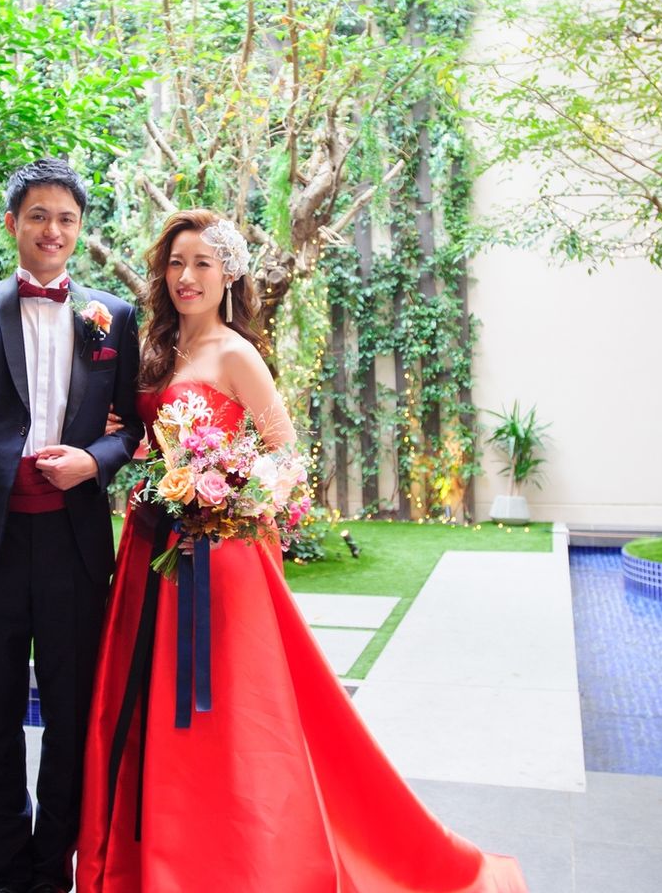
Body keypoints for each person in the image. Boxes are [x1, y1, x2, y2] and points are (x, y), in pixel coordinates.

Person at [77, 209, 528, 893]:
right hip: (150, 551)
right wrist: (134, 442)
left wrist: (221, 503)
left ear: (229, 274)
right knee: (147, 707)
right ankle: (151, 862)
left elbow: (284, 458)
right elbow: (148, 439)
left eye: (202, 263)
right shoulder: (154, 351)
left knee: (226, 717)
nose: (186, 277)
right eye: (175, 263)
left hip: (217, 559)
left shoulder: (236, 353)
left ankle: (230, 866)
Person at [0, 158, 143, 893]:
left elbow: (132, 429)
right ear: (13, 223)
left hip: (74, 549)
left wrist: (93, 460)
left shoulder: (112, 316)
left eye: (67, 219)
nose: (53, 230)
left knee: (71, 722)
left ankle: (53, 872)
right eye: (39, 216)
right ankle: (7, 878)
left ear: (79, 230)